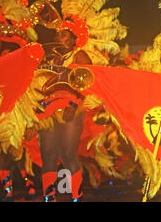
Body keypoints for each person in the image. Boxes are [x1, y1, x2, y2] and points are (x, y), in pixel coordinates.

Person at [38, 27, 92, 202]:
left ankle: (77, 198)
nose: (58, 37)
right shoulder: (49, 58)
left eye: (64, 34)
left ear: (73, 38)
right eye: (57, 34)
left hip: (71, 107)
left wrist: (74, 104)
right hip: (48, 107)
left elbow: (89, 82)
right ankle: (49, 198)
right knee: (48, 154)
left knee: (68, 154)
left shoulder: (79, 56)